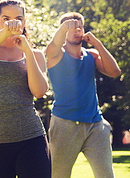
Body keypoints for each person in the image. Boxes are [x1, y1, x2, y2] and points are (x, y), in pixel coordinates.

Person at [0, 0, 51, 178]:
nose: (12, 24)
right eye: (6, 19)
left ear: (24, 22)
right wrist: (7, 32)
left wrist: (27, 51)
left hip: (31, 138)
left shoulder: (36, 55)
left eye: (18, 19)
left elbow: (39, 91)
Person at [45, 12, 121, 178]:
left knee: (107, 175)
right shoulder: (57, 54)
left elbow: (115, 71)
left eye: (78, 27)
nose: (75, 30)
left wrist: (98, 44)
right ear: (63, 31)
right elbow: (50, 49)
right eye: (70, 27)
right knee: (59, 175)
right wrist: (65, 27)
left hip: (96, 125)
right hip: (65, 125)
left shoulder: (91, 55)